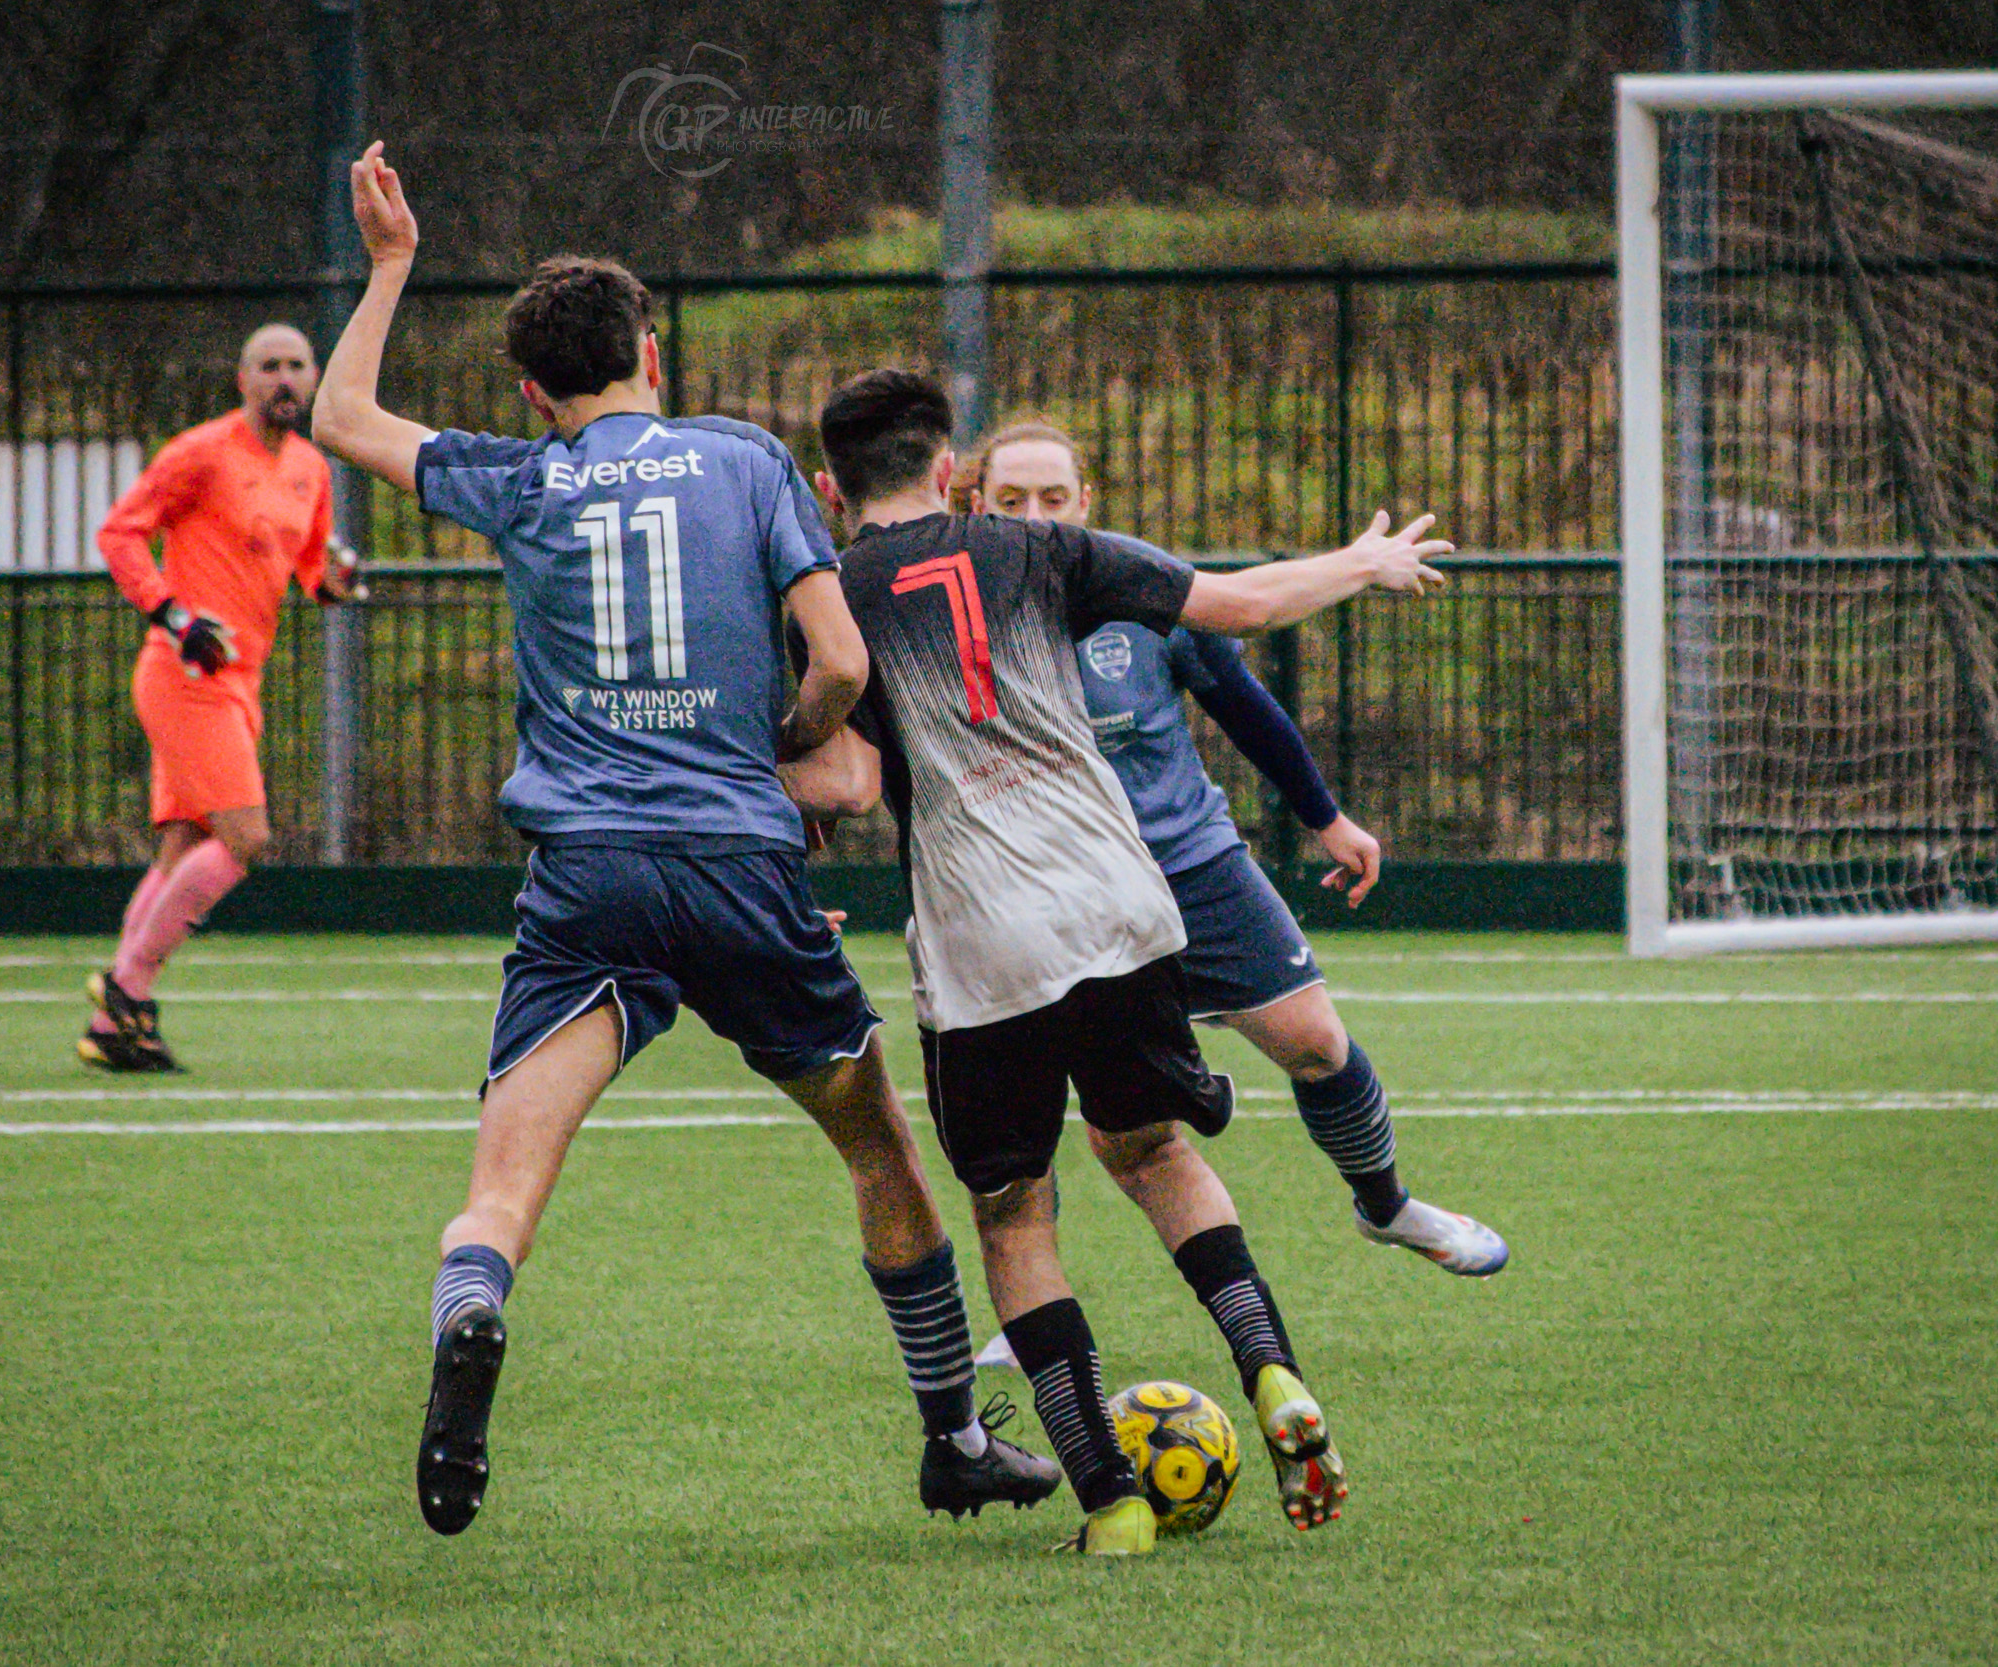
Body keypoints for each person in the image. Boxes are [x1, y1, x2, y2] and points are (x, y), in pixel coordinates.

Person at [310, 142, 1057, 1537]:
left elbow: (343, 416)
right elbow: (836, 661)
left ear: (537, 391)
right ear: (651, 352)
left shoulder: (522, 479)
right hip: (737, 867)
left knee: (502, 1185)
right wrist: (773, 742)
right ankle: (956, 1434)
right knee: (878, 1148)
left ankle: (472, 1314)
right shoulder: (743, 459)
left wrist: (395, 260)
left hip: (586, 880)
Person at [804, 368, 1451, 1553]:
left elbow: (840, 780)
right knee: (1150, 1150)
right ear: (950, 472)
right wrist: (1360, 562)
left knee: (1013, 1215)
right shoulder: (1042, 552)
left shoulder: (831, 595)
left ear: (825, 486)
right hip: (1120, 903)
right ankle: (1271, 1372)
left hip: (981, 937)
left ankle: (1107, 1500)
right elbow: (1241, 609)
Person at [951, 421, 1509, 1338]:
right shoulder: (953, 613)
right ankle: (1035, 1314)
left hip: (1191, 863)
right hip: (1053, 891)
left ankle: (1386, 1205)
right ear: (976, 505)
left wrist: (1326, 818)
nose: (1036, 517)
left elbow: (1242, 704)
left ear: (1086, 505)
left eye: (1054, 498)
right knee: (1082, 1122)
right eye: (1012, 502)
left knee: (1317, 1042)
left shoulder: (1139, 583)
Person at [82, 323, 364, 1073]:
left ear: (312, 380)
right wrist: (172, 614)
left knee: (183, 847)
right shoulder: (201, 453)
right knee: (244, 839)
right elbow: (119, 534)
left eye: (297, 367)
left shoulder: (310, 467)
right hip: (184, 676)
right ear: (241, 379)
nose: (285, 379)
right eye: (268, 366)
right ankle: (127, 988)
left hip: (244, 683)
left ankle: (115, 1032)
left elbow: (310, 562)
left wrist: (332, 583)